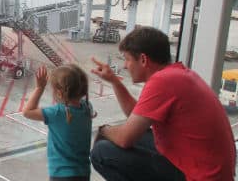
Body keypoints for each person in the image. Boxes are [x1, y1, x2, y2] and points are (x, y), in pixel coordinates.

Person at [90, 26, 236, 181]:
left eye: (127, 59)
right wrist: (114, 81)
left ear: (143, 59)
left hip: (198, 176)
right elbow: (136, 116)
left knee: (102, 152)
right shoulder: (177, 74)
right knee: (121, 137)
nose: (125, 66)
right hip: (209, 168)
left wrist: (103, 130)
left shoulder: (162, 82)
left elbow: (125, 139)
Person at [23, 64, 96, 181]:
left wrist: (39, 88)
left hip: (61, 174)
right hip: (83, 173)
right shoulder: (87, 107)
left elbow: (27, 112)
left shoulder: (57, 113)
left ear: (59, 93)